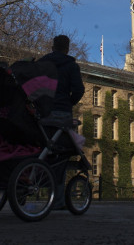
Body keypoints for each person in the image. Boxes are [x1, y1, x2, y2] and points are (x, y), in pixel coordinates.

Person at [38, 35, 84, 209]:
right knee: (61, 154)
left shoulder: (42, 64)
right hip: (61, 113)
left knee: (40, 149)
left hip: (43, 113)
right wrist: (68, 103)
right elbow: (79, 90)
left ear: (52, 47)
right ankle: (57, 200)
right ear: (67, 48)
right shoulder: (71, 66)